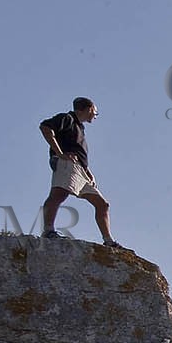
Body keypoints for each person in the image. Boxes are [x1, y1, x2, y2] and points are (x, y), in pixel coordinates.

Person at [38, 97, 121, 247]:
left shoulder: (80, 127)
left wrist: (88, 171)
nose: (95, 115)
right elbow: (45, 127)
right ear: (89, 108)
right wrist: (60, 153)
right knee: (59, 194)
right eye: (95, 112)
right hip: (68, 163)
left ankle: (109, 241)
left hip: (81, 170)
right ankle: (48, 230)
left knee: (102, 204)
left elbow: (78, 149)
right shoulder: (67, 118)